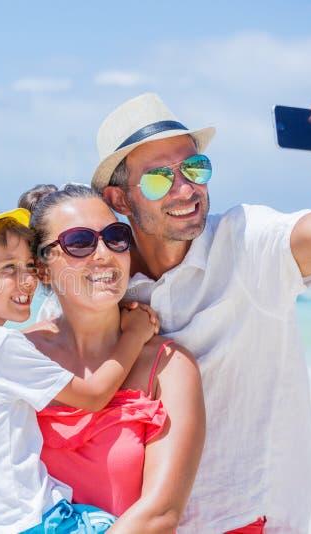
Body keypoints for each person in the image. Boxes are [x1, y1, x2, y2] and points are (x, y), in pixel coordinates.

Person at [39, 92, 311, 533]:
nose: (186, 189)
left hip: (242, 518)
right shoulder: (101, 276)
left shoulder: (246, 244)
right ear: (120, 200)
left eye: (195, 168)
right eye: (159, 179)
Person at [0, 199, 160, 533]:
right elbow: (94, 395)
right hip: (30, 522)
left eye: (29, 267)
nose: (27, 281)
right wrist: (135, 335)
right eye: (9, 269)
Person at [20, 184, 206, 534]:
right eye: (79, 242)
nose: (104, 253)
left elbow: (160, 514)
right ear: (42, 270)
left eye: (115, 237)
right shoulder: (18, 356)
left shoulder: (169, 367)